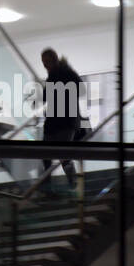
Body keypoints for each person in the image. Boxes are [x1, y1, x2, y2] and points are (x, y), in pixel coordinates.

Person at [39, 48, 86, 194]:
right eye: (44, 62)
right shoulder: (52, 77)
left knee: (62, 155)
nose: (45, 65)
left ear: (54, 59)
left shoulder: (65, 73)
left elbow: (80, 89)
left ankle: (71, 185)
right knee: (48, 155)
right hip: (55, 121)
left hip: (66, 121)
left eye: (47, 61)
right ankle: (50, 187)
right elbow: (48, 100)